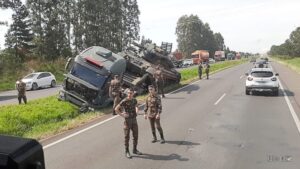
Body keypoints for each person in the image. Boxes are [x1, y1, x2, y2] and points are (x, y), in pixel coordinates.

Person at [115, 88, 142, 159]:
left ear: (133, 93)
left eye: (131, 93)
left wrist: (137, 111)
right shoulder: (124, 101)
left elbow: (136, 106)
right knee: (127, 137)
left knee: (135, 136)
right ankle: (127, 151)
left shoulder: (134, 100)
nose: (130, 94)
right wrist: (122, 115)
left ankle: (135, 150)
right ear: (127, 93)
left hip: (134, 120)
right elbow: (116, 109)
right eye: (129, 93)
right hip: (127, 121)